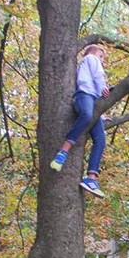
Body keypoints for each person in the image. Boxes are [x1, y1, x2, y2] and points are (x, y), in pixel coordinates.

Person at [49, 44, 111, 198]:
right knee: (87, 115)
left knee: (100, 139)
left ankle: (91, 179)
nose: (101, 61)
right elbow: (97, 76)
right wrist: (103, 86)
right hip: (84, 96)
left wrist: (102, 116)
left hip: (91, 100)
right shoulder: (91, 58)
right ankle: (64, 149)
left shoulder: (85, 66)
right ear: (92, 52)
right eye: (101, 56)